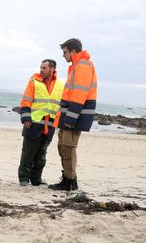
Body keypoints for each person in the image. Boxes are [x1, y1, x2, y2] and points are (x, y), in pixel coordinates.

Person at [49, 38, 97, 191]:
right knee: (62, 147)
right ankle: (67, 179)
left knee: (68, 148)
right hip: (69, 115)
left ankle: (70, 182)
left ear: (73, 51)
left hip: (74, 116)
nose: (63, 55)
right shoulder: (76, 65)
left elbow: (79, 94)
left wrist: (70, 118)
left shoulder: (83, 65)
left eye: (65, 52)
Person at [18, 59, 63, 186]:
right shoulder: (34, 82)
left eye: (44, 68)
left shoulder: (60, 85)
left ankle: (36, 179)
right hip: (33, 123)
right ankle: (23, 179)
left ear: (52, 69)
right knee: (28, 153)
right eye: (41, 67)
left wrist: (59, 123)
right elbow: (26, 101)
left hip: (50, 126)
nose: (41, 70)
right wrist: (26, 119)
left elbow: (61, 106)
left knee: (41, 156)